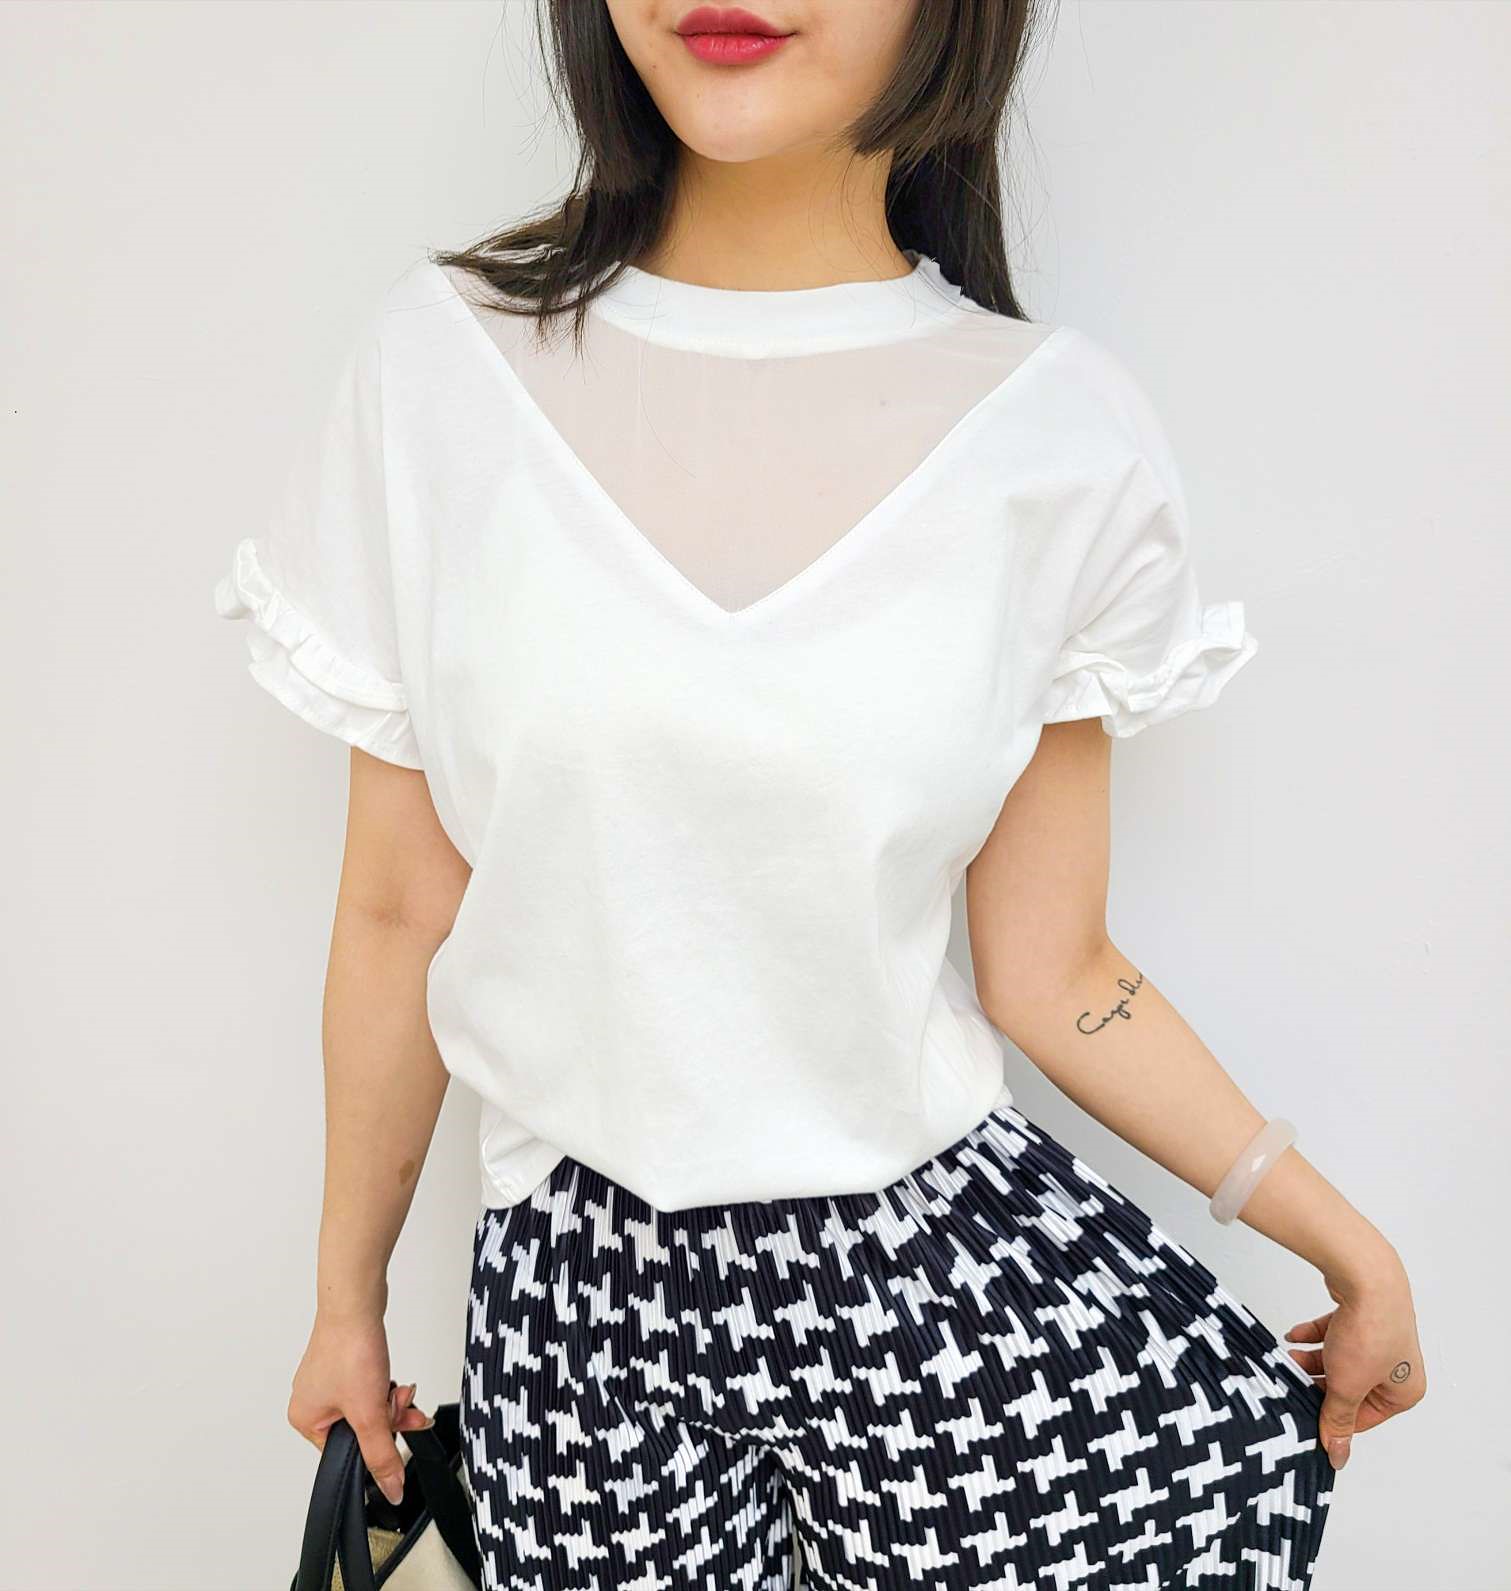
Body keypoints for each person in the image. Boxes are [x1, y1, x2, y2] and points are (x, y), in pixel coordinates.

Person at [213, 2, 1427, 1586]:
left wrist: (1337, 1236)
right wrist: (346, 1304)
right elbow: (397, 905)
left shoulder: (1058, 436)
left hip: (927, 1265)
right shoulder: (441, 369)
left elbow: (1055, 970)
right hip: (580, 1302)